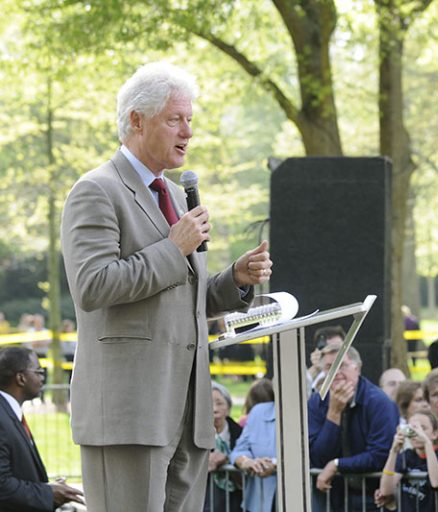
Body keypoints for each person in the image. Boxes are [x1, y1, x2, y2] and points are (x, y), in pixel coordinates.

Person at [59, 62, 273, 511]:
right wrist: (174, 249)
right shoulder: (96, 190)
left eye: (190, 119)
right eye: (175, 119)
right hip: (130, 412)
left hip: (188, 412)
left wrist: (234, 279)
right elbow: (93, 286)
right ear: (136, 120)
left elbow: (183, 296)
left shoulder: (175, 195)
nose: (188, 131)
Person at [309, 345, 399, 510]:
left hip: (372, 497)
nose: (336, 373)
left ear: (357, 368)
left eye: (342, 365)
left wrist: (337, 464)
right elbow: (318, 457)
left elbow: (380, 455)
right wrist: (334, 412)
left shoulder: (379, 402)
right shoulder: (316, 402)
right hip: (331, 497)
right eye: (329, 367)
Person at [0, 347, 84, 511]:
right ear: (21, 378)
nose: (42, 377)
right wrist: (48, 493)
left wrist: (48, 487)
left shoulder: (9, 412)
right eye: (38, 371)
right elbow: (2, 485)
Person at [376, 410, 438, 512]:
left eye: (423, 428)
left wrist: (427, 443)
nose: (417, 433)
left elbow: (436, 483)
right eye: (413, 429)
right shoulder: (407, 455)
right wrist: (393, 451)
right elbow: (385, 490)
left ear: (435, 434)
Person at [231, 379, 277, 512]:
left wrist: (276, 464)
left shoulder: (308, 410)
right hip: (259, 503)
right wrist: (247, 462)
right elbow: (239, 450)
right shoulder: (258, 412)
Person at [204, 382, 243, 512]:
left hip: (235, 503)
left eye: (220, 403)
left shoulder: (240, 433)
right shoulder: (194, 436)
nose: (214, 409)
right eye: (209, 404)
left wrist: (228, 459)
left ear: (228, 408)